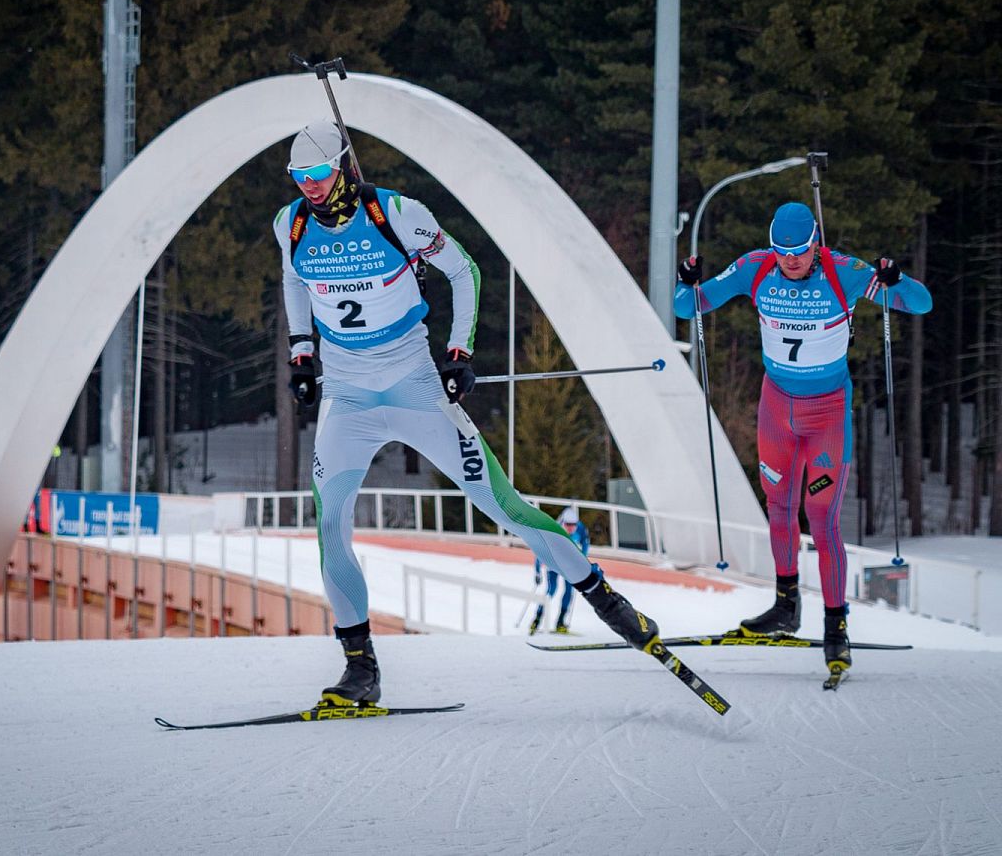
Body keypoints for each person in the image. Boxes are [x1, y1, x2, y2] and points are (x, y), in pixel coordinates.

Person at [276, 120, 662, 705]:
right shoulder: (292, 223)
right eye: (298, 176)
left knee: (502, 507)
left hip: (415, 388)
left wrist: (460, 352)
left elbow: (465, 271)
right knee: (330, 529)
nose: (307, 185)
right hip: (347, 399)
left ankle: (606, 600)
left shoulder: (399, 213)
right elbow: (294, 280)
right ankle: (360, 668)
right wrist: (301, 353)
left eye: (318, 173)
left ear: (343, 167)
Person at [674, 201, 932, 677]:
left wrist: (898, 281)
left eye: (799, 251)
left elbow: (920, 304)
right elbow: (686, 308)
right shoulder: (756, 268)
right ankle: (785, 607)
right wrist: (686, 281)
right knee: (778, 507)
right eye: (782, 251)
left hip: (827, 415)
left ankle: (836, 628)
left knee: (821, 516)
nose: (790, 260)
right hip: (776, 410)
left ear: (816, 244)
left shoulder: (844, 272)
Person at [530, 506, 588, 635]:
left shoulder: (580, 528)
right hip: (554, 563)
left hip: (568, 564)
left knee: (569, 591)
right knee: (552, 590)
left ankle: (561, 622)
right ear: (563, 523)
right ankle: (537, 619)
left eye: (574, 525)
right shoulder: (554, 530)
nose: (571, 528)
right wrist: (538, 571)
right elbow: (540, 551)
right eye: (568, 525)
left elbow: (585, 543)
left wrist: (583, 559)